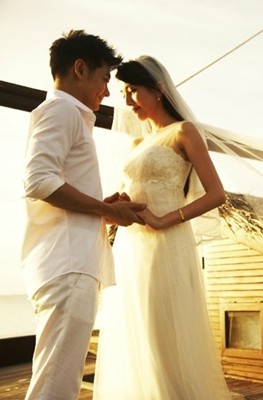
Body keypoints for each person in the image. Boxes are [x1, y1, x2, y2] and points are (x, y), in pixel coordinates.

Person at [93, 56, 233, 399]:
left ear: (157, 89)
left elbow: (216, 194)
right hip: (131, 247)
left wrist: (162, 220)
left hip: (166, 244)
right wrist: (116, 206)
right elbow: (134, 192)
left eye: (133, 90)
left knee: (162, 331)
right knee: (135, 331)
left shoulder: (183, 132)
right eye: (124, 92)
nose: (127, 101)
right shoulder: (136, 144)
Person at [21, 30, 146, 400]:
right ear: (80, 68)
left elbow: (51, 185)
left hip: (68, 262)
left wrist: (103, 207)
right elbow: (39, 181)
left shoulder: (65, 114)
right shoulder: (61, 110)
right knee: (56, 385)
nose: (106, 92)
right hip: (69, 264)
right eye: (104, 78)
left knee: (58, 379)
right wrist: (105, 208)